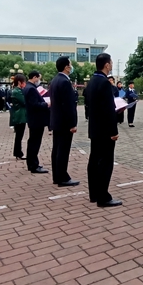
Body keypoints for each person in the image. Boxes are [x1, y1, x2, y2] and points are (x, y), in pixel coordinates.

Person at [85, 53, 122, 208]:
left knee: (94, 160)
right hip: (105, 130)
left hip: (94, 127)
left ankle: (94, 194)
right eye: (111, 62)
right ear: (107, 65)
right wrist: (113, 131)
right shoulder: (105, 83)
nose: (112, 64)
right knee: (105, 163)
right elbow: (108, 109)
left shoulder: (92, 81)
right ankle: (103, 197)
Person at [49, 57, 80, 187]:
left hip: (56, 120)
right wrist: (73, 123)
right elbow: (68, 105)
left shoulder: (55, 80)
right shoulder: (64, 82)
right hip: (64, 122)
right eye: (70, 64)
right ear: (66, 67)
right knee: (63, 150)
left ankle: (57, 176)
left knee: (57, 149)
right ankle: (62, 177)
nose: (71, 67)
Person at [23, 71, 50, 174]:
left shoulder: (28, 87)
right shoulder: (31, 89)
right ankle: (33, 165)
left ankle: (32, 163)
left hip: (34, 119)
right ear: (34, 77)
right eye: (39, 78)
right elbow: (35, 105)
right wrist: (46, 104)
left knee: (33, 142)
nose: (39, 81)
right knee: (35, 143)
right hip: (36, 120)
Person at [9, 74, 28, 160]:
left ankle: (18, 152)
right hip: (20, 115)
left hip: (20, 115)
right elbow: (24, 102)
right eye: (24, 82)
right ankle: (18, 152)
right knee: (19, 135)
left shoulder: (17, 90)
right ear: (20, 82)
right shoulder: (17, 91)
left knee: (19, 135)